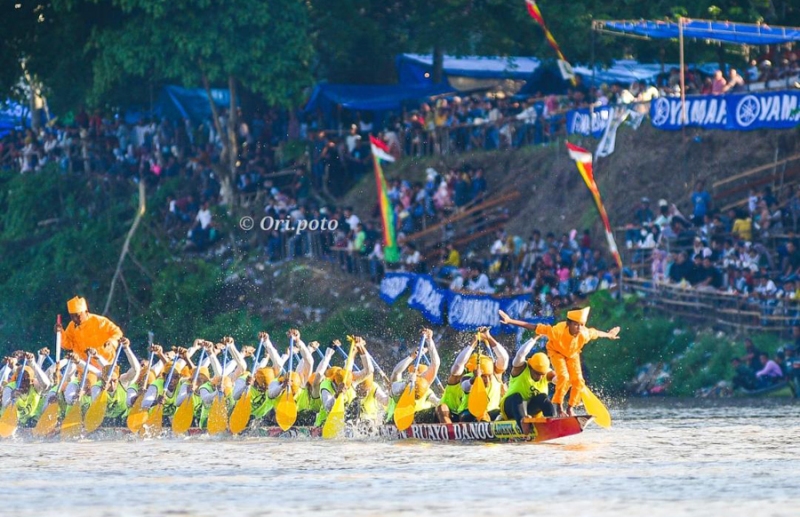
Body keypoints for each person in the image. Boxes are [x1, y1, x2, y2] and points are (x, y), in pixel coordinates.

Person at [498, 306, 620, 417]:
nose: (579, 328)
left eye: (582, 324)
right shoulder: (557, 331)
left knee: (578, 381)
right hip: (556, 352)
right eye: (576, 325)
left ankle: (570, 408)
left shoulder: (585, 333)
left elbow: (597, 333)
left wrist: (609, 335)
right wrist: (511, 321)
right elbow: (534, 327)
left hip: (572, 355)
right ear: (568, 324)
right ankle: (559, 407)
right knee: (564, 377)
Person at [500, 340, 556, 434]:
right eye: (537, 373)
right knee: (516, 396)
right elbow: (520, 354)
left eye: (542, 374)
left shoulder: (548, 373)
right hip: (510, 407)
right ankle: (523, 425)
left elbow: (559, 380)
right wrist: (535, 337)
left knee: (543, 397)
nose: (540, 377)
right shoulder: (520, 368)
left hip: (530, 410)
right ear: (530, 367)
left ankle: (552, 423)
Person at [58, 296, 123, 364]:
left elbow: (117, 332)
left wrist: (111, 342)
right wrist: (60, 333)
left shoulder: (100, 321)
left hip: (106, 365)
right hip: (85, 368)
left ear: (86, 311)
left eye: (77, 315)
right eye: (72, 316)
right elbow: (67, 345)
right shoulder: (71, 326)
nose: (75, 319)